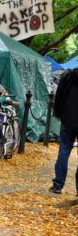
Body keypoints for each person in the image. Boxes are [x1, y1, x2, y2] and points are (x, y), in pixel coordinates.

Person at [49, 67, 78, 195]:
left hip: (68, 118)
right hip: (69, 118)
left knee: (64, 152)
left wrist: (59, 113)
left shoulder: (67, 75)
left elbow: (59, 95)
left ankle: (58, 185)